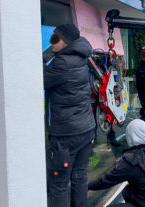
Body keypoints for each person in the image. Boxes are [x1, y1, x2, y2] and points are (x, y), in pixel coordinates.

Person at [44, 24, 96, 207]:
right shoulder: (81, 56)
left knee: (59, 182)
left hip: (67, 134)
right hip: (86, 128)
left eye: (55, 39)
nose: (51, 43)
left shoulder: (62, 63)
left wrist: (41, 60)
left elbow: (39, 79)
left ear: (66, 41)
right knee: (79, 174)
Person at [88, 119, 145, 207]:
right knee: (127, 191)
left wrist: (87, 185)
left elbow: (106, 180)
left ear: (131, 137)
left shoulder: (132, 162)